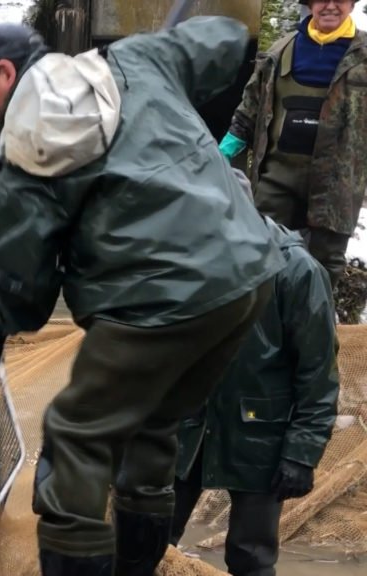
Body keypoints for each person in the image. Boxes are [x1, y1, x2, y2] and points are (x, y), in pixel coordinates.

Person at [0, 16, 283, 576]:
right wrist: (164, 73)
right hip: (247, 275)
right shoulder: (133, 61)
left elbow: (27, 289)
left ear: (6, 71)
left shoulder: (18, 147)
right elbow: (227, 40)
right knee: (152, 424)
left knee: (76, 437)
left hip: (154, 302)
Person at [170, 171, 340, 576]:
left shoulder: (298, 272)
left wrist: (302, 453)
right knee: (143, 536)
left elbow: (318, 376)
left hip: (261, 433)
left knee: (251, 556)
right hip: (189, 425)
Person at [221, 0, 367, 288]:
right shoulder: (280, 51)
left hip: (338, 184)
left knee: (325, 264)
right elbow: (251, 105)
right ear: (310, 4)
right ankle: (266, 328)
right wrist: (224, 149)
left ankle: (318, 328)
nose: (330, 6)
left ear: (351, 4)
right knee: (261, 253)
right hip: (278, 177)